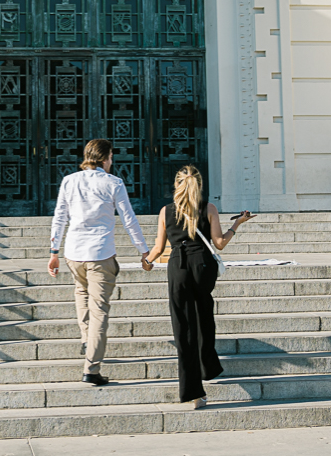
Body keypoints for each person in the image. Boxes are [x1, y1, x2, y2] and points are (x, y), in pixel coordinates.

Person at [142, 165, 255, 407]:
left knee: (184, 329)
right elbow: (220, 243)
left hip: (179, 268)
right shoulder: (209, 209)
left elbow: (158, 249)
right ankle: (208, 365)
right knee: (204, 315)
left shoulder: (165, 212)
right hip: (203, 267)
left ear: (177, 184)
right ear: (199, 185)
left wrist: (147, 261)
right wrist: (238, 224)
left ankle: (195, 392)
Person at [48, 138, 151, 386]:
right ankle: (92, 369)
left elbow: (59, 216)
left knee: (81, 295)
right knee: (100, 310)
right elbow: (129, 219)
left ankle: (87, 339)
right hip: (100, 253)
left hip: (74, 253)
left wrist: (53, 251)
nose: (112, 161)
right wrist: (144, 251)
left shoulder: (69, 180)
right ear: (106, 158)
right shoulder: (113, 183)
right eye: (111, 157)